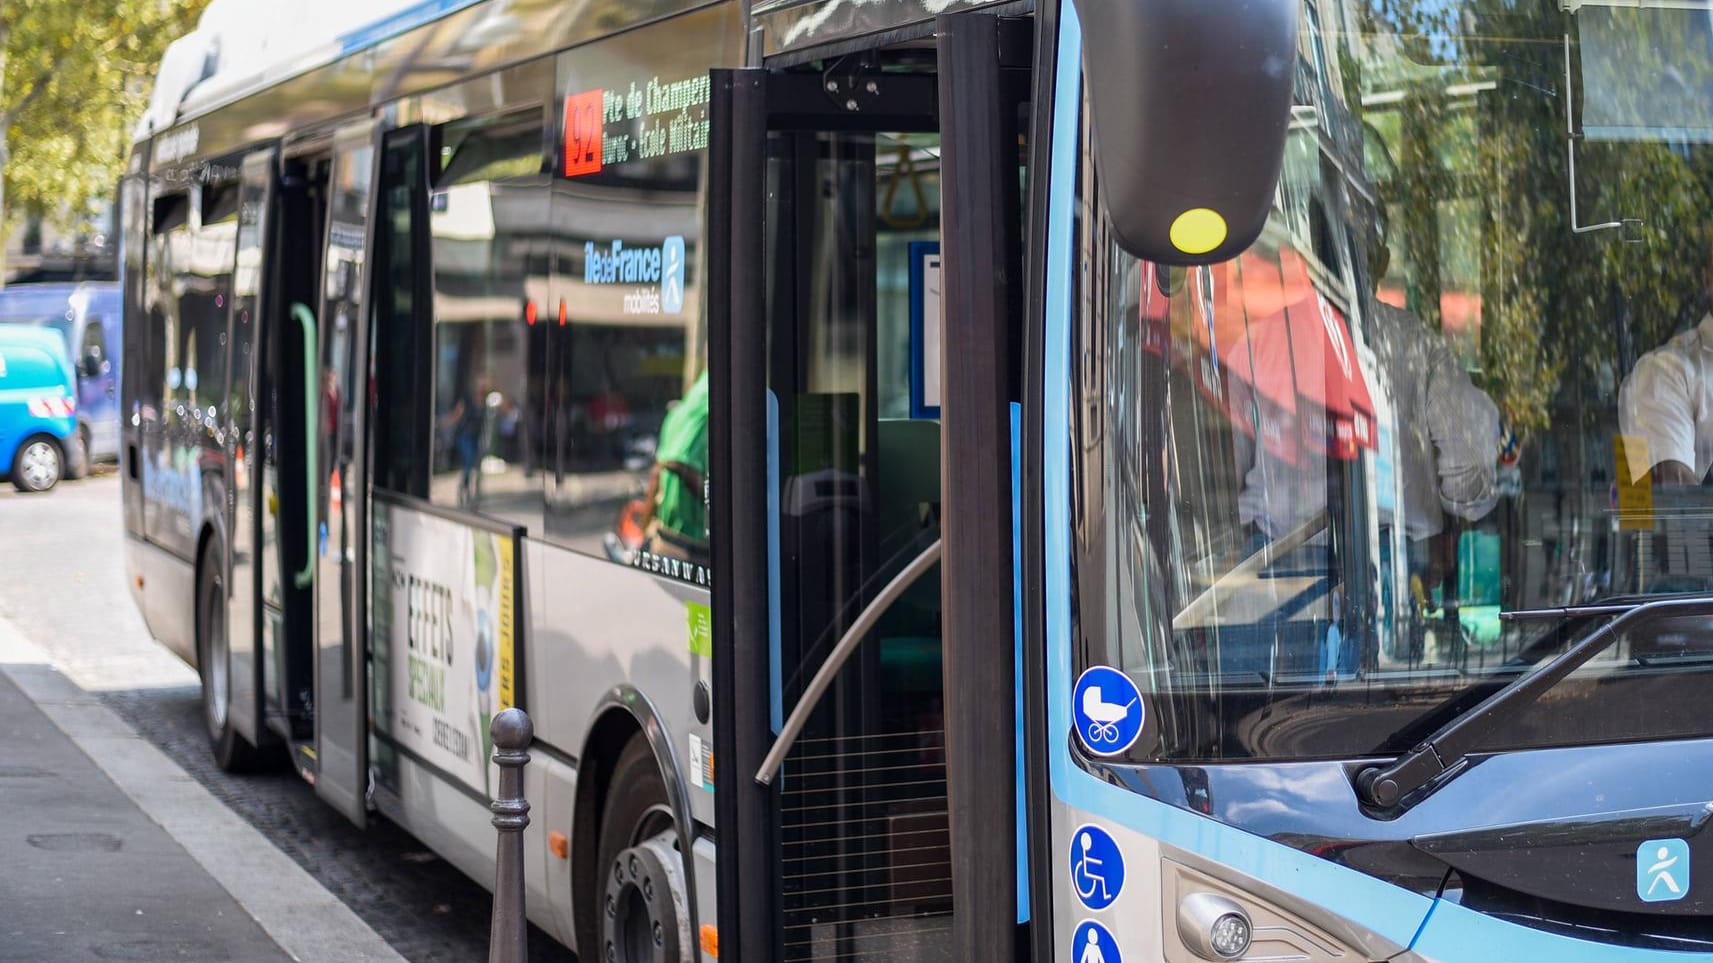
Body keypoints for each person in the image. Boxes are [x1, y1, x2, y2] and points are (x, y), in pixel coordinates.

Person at [636, 369, 710, 566]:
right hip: (687, 550)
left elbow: (657, 474)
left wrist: (641, 535)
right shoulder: (708, 404)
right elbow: (676, 464)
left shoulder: (684, 410)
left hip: (667, 540)